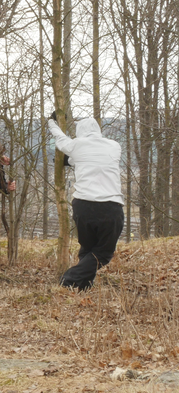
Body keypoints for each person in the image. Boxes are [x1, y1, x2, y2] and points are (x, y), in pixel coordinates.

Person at [48, 113, 125, 291]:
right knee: (103, 253)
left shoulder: (76, 145)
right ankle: (68, 280)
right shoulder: (114, 146)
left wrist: (52, 122)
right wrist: (72, 160)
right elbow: (95, 160)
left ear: (80, 132)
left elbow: (60, 139)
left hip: (83, 206)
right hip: (110, 206)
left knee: (88, 249)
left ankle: (82, 286)